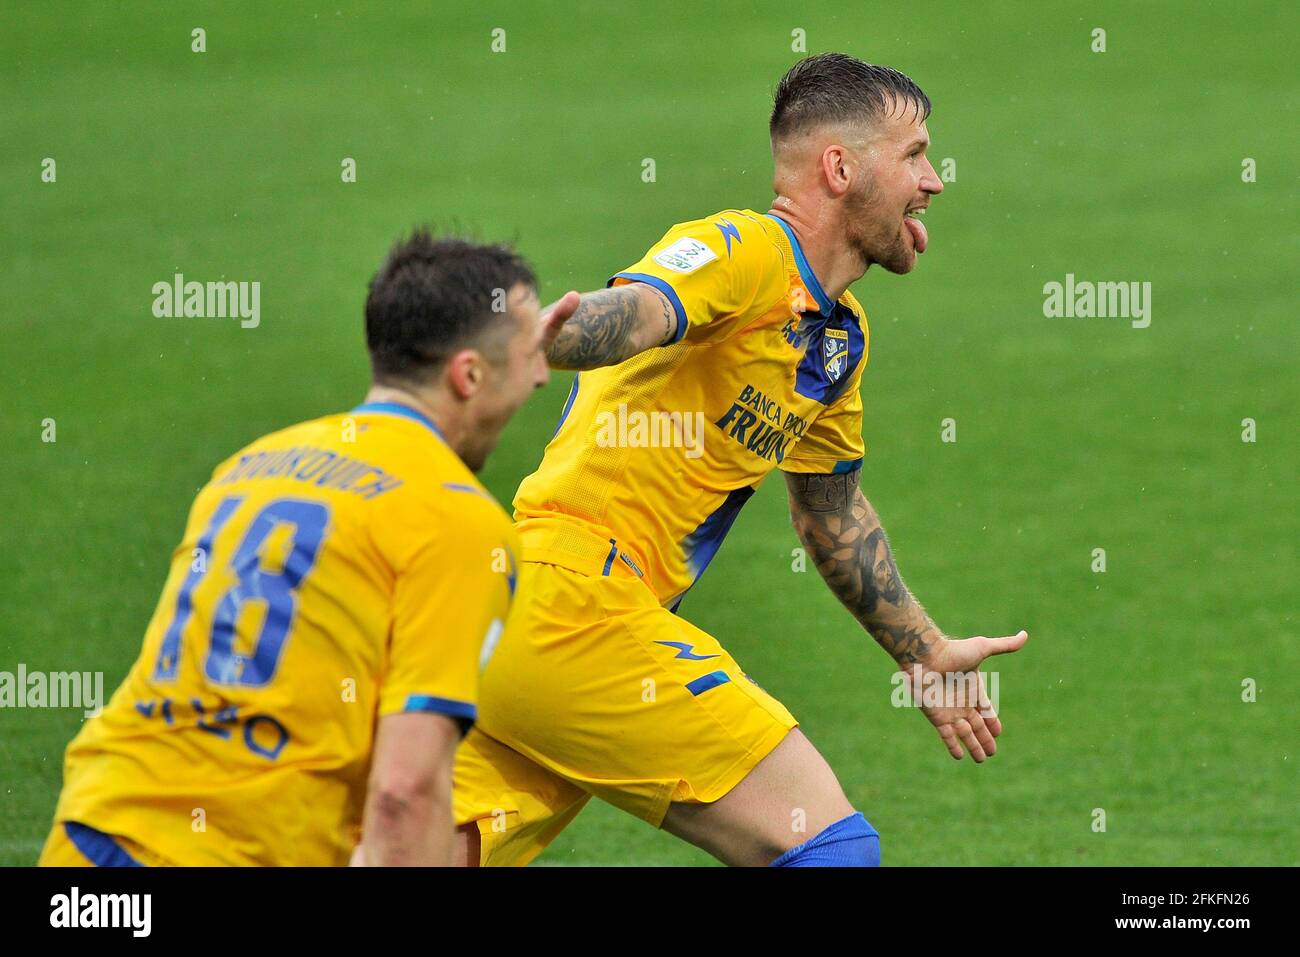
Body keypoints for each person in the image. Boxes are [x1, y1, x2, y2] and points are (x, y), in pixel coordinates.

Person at [451, 54, 1029, 867]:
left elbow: (830, 513)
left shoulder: (837, 339)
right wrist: (537, 336)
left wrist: (924, 651)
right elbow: (644, 310)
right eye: (915, 155)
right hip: (578, 600)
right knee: (832, 847)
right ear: (840, 167)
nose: (933, 181)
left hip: (530, 627)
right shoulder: (745, 250)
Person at [39, 231, 571, 866]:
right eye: (529, 354)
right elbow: (405, 792)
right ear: (469, 374)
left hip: (92, 835)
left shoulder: (253, 464)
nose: (541, 374)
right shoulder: (455, 519)